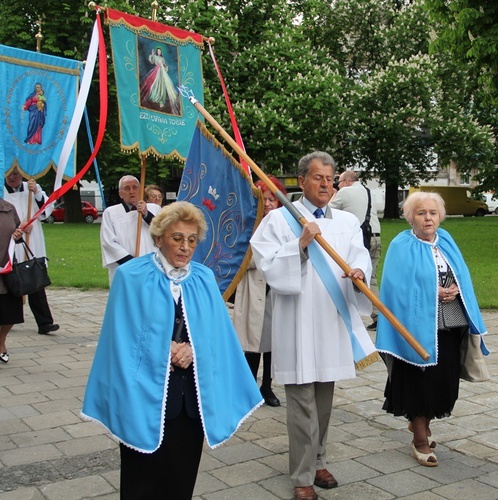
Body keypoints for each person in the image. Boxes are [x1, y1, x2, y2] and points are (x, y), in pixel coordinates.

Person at [82, 202, 263, 499]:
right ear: (158, 238)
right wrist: (161, 348)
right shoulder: (131, 276)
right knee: (141, 482)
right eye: (177, 238)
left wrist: (195, 351)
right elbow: (120, 336)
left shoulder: (204, 278)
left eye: (192, 240)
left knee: (181, 480)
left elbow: (218, 336)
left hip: (190, 401)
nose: (185, 247)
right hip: (142, 397)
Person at [250, 152, 377, 500]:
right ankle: (303, 475)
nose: (326, 184)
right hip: (298, 322)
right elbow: (268, 266)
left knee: (323, 399)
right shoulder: (279, 221)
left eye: (330, 178)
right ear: (302, 180)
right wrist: (300, 244)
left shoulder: (347, 222)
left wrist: (360, 272)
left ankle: (319, 458)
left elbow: (359, 254)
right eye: (318, 178)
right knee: (301, 402)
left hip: (331, 320)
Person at [375, 191, 488, 467]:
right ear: (411, 216)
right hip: (417, 328)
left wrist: (454, 290)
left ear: (441, 216)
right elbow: (395, 286)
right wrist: (431, 291)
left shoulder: (446, 239)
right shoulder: (402, 244)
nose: (428, 218)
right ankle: (420, 438)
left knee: (444, 381)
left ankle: (420, 425)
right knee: (419, 382)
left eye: (433, 213)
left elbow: (462, 275)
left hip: (449, 324)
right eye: (421, 213)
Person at [233, 176, 286, 407]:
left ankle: (267, 386)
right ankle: (248, 388)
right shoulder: (247, 224)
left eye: (272, 198)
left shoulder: (286, 223)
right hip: (254, 286)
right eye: (264, 199)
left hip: (277, 289)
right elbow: (243, 258)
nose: (268, 203)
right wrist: (268, 257)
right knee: (252, 342)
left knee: (273, 342)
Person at [3, 167, 59, 334]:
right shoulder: (1, 190)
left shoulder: (32, 188)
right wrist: (15, 226)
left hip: (31, 240)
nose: (11, 177)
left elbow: (46, 212)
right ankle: (7, 319)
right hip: (9, 240)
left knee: (34, 279)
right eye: (9, 174)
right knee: (9, 281)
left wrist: (37, 194)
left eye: (15, 174)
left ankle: (44, 322)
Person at [329, 170, 382, 330]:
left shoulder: (345, 192)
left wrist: (333, 193)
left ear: (347, 181)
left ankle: (355, 312)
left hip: (361, 238)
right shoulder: (367, 190)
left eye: (339, 181)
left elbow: (326, 209)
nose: (337, 185)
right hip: (376, 236)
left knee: (357, 276)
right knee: (371, 277)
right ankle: (378, 314)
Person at [100, 175, 161, 284]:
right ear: (120, 194)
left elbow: (163, 231)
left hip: (151, 266)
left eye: (135, 187)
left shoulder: (154, 209)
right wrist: (132, 263)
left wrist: (146, 214)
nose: (131, 191)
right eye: (127, 188)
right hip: (125, 267)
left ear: (141, 190)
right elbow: (108, 242)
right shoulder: (111, 213)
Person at [0, 199, 24, 364]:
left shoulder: (8, 208)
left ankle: (1, 341)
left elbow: (18, 231)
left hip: (6, 267)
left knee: (10, 312)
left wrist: (18, 235)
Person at [139, 47, 180, 115]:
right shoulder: (155, 57)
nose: (159, 52)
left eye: (160, 51)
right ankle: (156, 97)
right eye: (158, 51)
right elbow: (151, 61)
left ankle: (162, 99)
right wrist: (152, 55)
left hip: (163, 72)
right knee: (156, 83)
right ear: (156, 52)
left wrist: (164, 66)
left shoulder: (162, 59)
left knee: (164, 84)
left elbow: (165, 66)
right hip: (157, 71)